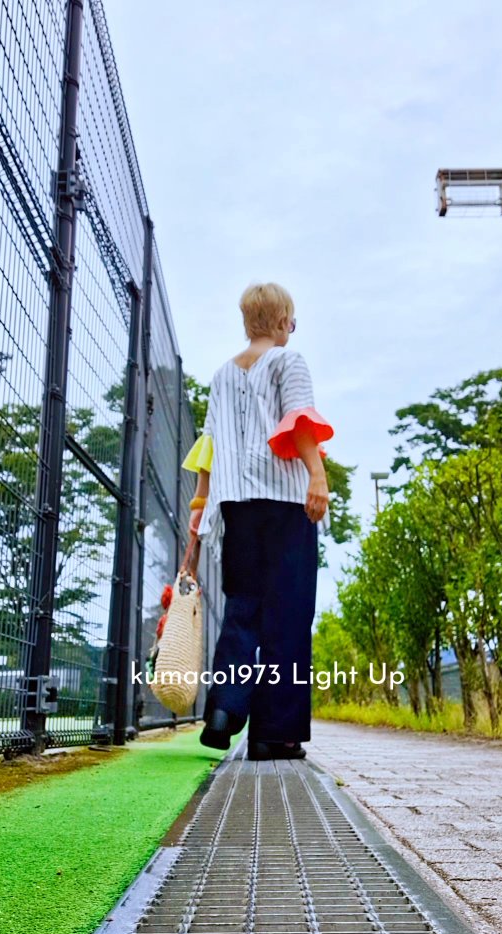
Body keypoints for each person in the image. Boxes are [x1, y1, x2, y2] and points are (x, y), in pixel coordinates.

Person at [181, 282, 334, 761]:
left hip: (235, 505)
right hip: (286, 502)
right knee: (288, 615)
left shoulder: (222, 375)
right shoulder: (289, 361)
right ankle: (275, 734)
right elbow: (300, 422)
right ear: (284, 320)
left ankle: (223, 709)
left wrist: (199, 513)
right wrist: (317, 476)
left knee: (243, 608)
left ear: (248, 322)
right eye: (292, 320)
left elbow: (208, 447)